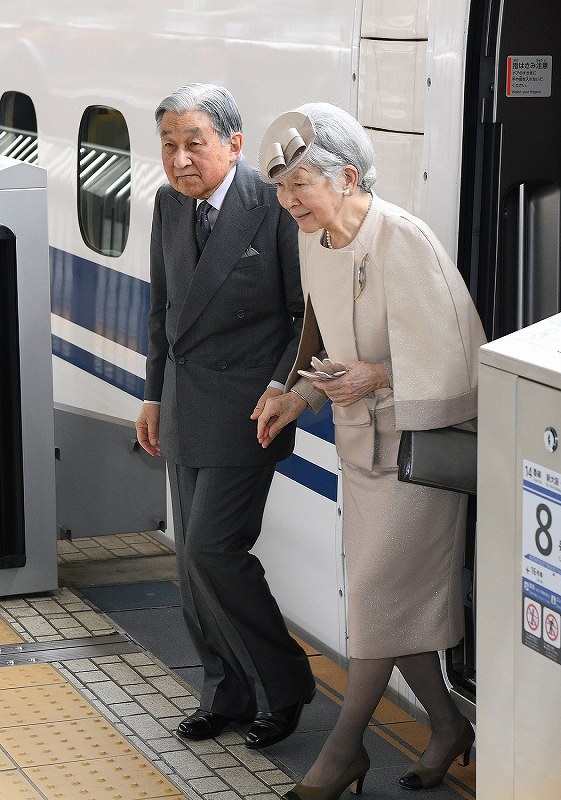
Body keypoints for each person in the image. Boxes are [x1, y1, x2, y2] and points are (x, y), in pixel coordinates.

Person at [256, 103, 487, 795]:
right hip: (363, 453)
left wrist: (378, 375)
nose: (286, 200)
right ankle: (446, 727)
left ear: (347, 176)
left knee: (374, 602)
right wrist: (299, 395)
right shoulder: (314, 239)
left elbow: (459, 357)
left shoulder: (402, 240)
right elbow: (325, 343)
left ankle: (342, 753)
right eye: (280, 187)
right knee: (392, 607)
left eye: (299, 184)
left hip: (418, 457)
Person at [135, 84, 315, 750]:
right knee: (191, 563)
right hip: (182, 401)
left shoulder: (272, 208)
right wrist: (152, 395)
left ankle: (287, 684)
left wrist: (280, 389)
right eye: (169, 144)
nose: (180, 159)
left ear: (234, 144)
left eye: (194, 143)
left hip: (250, 407)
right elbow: (162, 312)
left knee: (215, 548)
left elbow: (304, 317)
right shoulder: (166, 204)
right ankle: (226, 692)